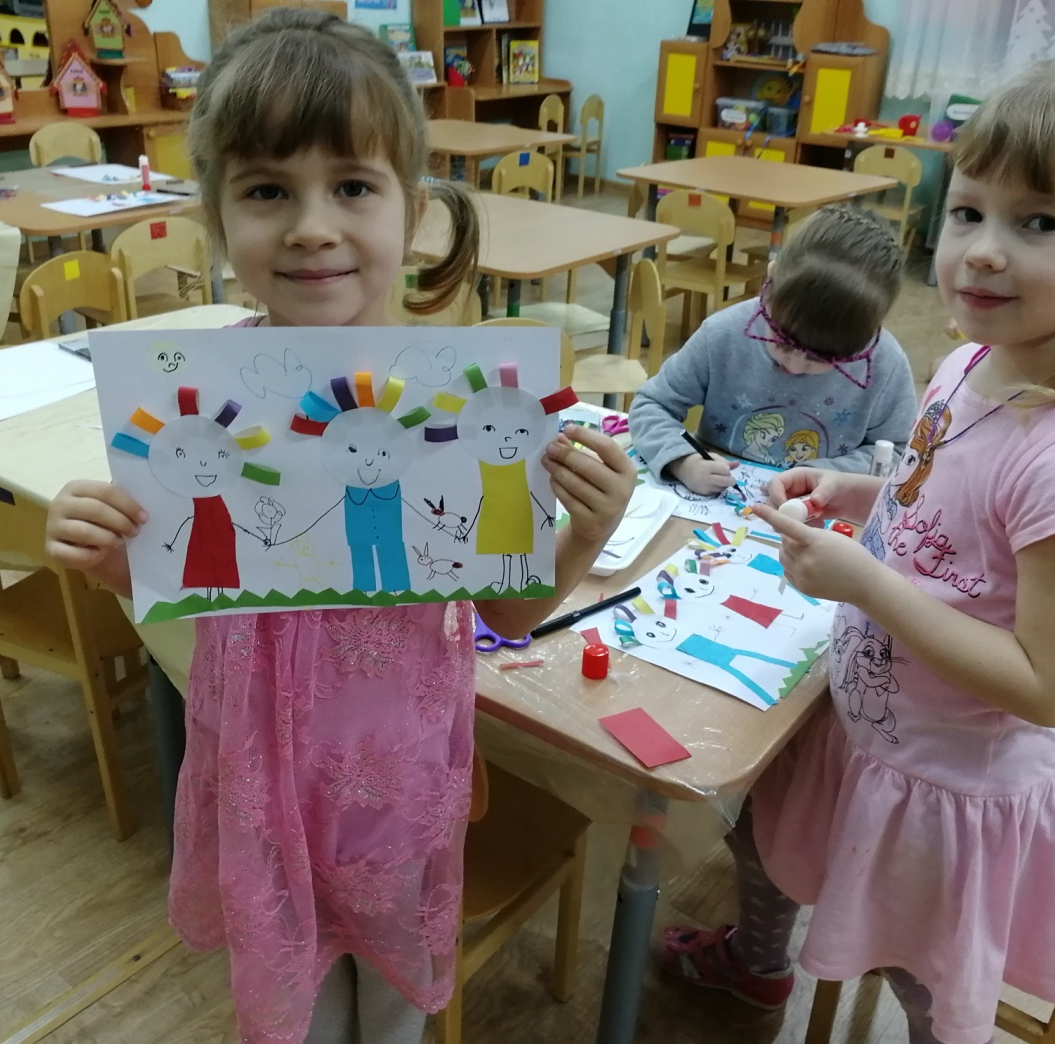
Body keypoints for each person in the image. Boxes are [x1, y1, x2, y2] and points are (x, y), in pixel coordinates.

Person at [43, 11, 636, 1044]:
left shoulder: (464, 404)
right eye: (268, 190)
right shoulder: (199, 400)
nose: (311, 226)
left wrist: (581, 533)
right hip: (253, 765)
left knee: (392, 994)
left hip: (391, 771)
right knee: (292, 997)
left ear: (413, 211)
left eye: (353, 186)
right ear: (216, 217)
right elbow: (185, 579)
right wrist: (108, 557)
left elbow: (505, 612)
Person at [661, 55, 1055, 1044]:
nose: (982, 252)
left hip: (949, 785)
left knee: (926, 975)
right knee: (762, 844)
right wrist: (860, 492)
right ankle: (754, 967)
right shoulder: (969, 362)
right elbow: (947, 499)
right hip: (867, 730)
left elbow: (1051, 688)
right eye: (967, 212)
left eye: (1037, 223)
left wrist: (867, 585)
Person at [628, 204, 916, 495]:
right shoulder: (723, 333)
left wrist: (825, 475)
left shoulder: (885, 365)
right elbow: (652, 405)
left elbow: (898, 453)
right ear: (770, 279)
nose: (794, 366)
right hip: (718, 502)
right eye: (783, 341)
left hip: (822, 509)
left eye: (821, 358)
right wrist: (684, 462)